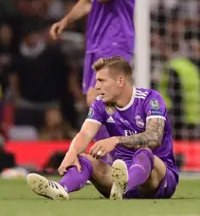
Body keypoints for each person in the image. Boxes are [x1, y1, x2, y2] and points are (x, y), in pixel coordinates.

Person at [26, 57, 178, 200]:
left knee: (145, 153)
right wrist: (72, 152)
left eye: (101, 81)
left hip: (159, 179)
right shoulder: (101, 103)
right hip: (118, 176)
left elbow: (154, 137)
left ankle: (125, 184)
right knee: (83, 158)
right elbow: (85, 132)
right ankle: (60, 188)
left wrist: (116, 140)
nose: (97, 86)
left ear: (120, 81)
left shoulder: (150, 99)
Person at [50, 0, 136, 152]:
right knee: (95, 102)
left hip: (116, 38)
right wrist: (65, 21)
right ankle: (115, 158)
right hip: (94, 43)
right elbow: (88, 0)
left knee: (98, 99)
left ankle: (117, 153)